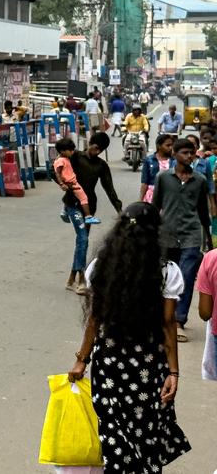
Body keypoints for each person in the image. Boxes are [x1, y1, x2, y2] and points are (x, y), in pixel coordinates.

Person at [66, 202, 190, 471]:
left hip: (110, 364)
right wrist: (174, 373)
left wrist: (81, 360)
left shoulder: (100, 267)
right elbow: (168, 324)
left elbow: (94, 320)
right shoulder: (168, 271)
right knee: (146, 436)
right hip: (149, 365)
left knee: (114, 437)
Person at [152, 139, 212, 343]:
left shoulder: (200, 180)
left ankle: (178, 321)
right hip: (166, 235)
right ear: (175, 154)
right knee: (164, 278)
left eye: (192, 153)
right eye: (185, 153)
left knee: (185, 278)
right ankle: (160, 318)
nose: (189, 156)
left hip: (191, 236)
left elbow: (203, 212)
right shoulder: (162, 177)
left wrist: (210, 243)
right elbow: (155, 206)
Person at [65, 133, 125, 294]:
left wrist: (120, 211)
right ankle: (82, 279)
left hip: (90, 207)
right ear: (90, 143)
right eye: (96, 148)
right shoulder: (75, 157)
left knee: (82, 241)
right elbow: (56, 168)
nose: (97, 152)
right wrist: (62, 184)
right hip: (73, 203)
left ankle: (71, 278)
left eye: (101, 150)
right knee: (83, 239)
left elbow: (109, 188)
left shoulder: (101, 166)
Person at [54, 138, 100, 226]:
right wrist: (62, 184)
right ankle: (88, 217)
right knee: (83, 198)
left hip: (72, 182)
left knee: (72, 196)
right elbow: (57, 173)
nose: (72, 152)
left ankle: (64, 211)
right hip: (71, 182)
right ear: (62, 151)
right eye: (70, 150)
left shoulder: (64, 158)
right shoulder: (61, 161)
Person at [141, 133, 175, 203]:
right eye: (168, 145)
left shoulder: (175, 161)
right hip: (151, 196)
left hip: (170, 196)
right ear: (159, 146)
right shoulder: (149, 160)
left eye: (172, 145)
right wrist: (140, 199)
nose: (171, 148)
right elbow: (145, 182)